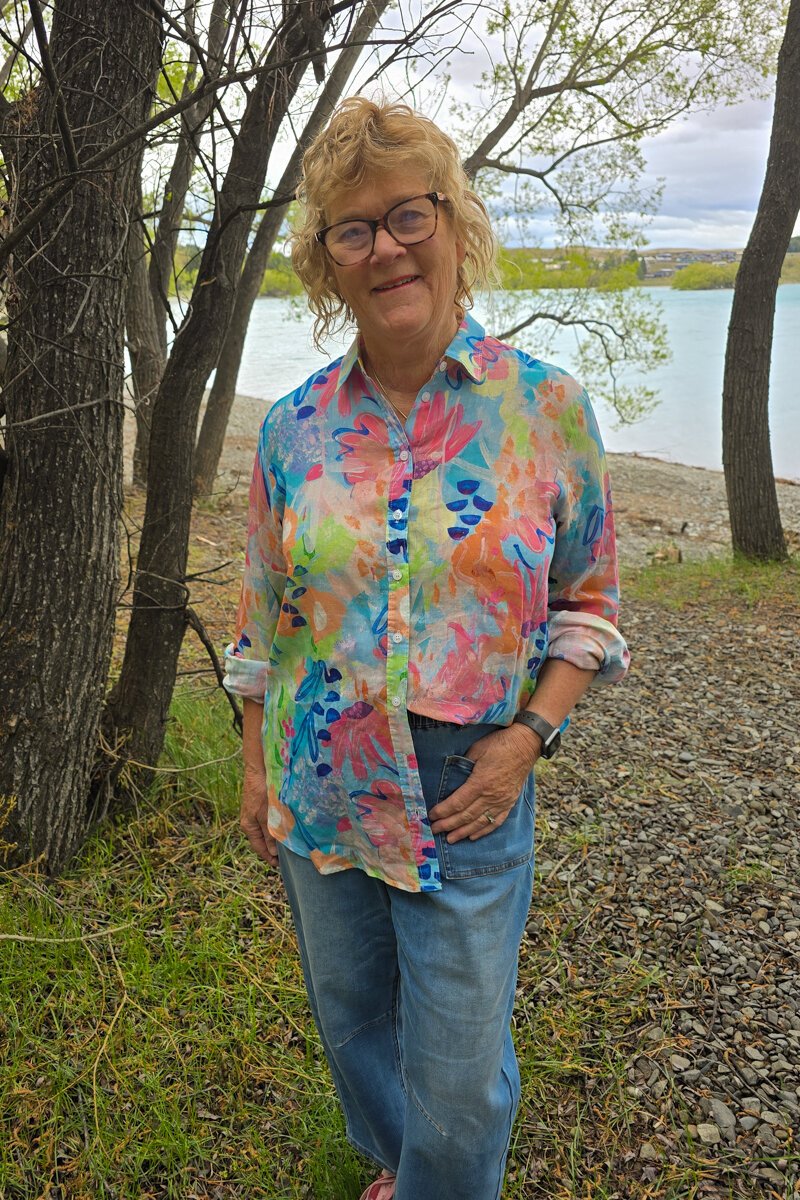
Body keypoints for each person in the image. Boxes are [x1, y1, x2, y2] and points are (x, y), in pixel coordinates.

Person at [224, 96, 629, 1200]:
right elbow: (263, 618)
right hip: (321, 775)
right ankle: (407, 1170)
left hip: (467, 784)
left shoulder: (546, 409)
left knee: (460, 1071)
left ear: (454, 222)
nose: (386, 248)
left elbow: (590, 603)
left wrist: (528, 738)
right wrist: (255, 765)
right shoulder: (292, 427)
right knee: (353, 1019)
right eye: (353, 229)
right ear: (327, 261)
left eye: (409, 214)